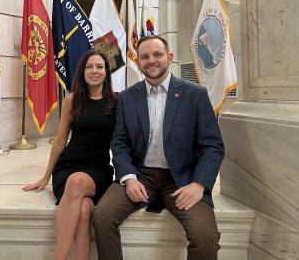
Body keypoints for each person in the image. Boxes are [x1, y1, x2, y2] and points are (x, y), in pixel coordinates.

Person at [92, 35, 224, 260]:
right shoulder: (126, 98)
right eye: (144, 56)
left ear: (169, 58)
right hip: (141, 175)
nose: (151, 60)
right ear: (139, 62)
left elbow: (212, 145)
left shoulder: (195, 95)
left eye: (157, 55)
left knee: (205, 235)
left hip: (182, 178)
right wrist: (129, 178)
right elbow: (119, 143)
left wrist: (198, 184)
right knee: (102, 216)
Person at [23, 49, 117, 260]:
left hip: (98, 171)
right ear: (82, 71)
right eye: (89, 66)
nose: (94, 71)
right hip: (68, 166)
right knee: (83, 211)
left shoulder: (116, 102)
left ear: (106, 72)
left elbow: (123, 142)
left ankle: (59, 257)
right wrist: (46, 176)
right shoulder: (72, 100)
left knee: (76, 183)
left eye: (100, 67)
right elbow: (59, 140)